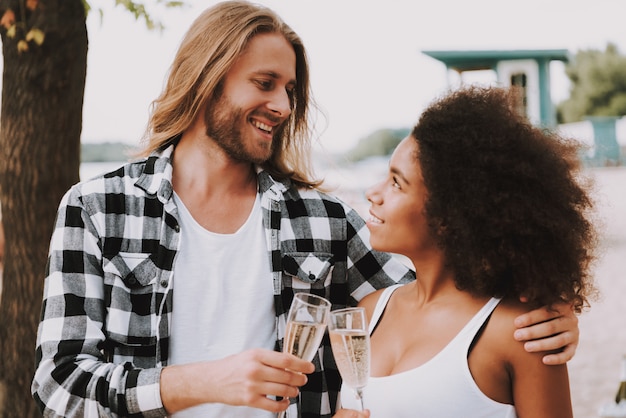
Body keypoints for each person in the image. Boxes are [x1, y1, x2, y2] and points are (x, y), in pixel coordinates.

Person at [32, 2, 581, 417]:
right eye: (265, 84)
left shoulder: (324, 222)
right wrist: (201, 382)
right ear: (205, 81)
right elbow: (58, 383)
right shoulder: (97, 208)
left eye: (290, 89)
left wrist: (546, 313)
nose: (284, 107)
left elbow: (443, 291)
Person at [335, 86, 597, 418]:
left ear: (449, 216)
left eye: (397, 182)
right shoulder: (369, 312)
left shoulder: (521, 333)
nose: (373, 192)